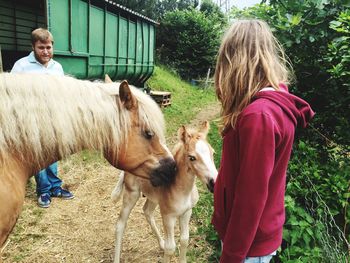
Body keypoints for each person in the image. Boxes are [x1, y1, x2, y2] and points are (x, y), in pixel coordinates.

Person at [211, 19, 315, 263]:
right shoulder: (265, 108)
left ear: (234, 62)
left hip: (247, 247)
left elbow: (251, 198)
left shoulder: (258, 117)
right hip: (252, 239)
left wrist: (232, 256)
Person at [11, 28, 74, 208]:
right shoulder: (21, 66)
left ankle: (55, 187)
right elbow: (13, 94)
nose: (46, 52)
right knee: (38, 155)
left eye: (48, 47)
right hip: (30, 119)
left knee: (52, 153)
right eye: (41, 48)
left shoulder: (57, 67)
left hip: (52, 119)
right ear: (33, 47)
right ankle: (44, 190)